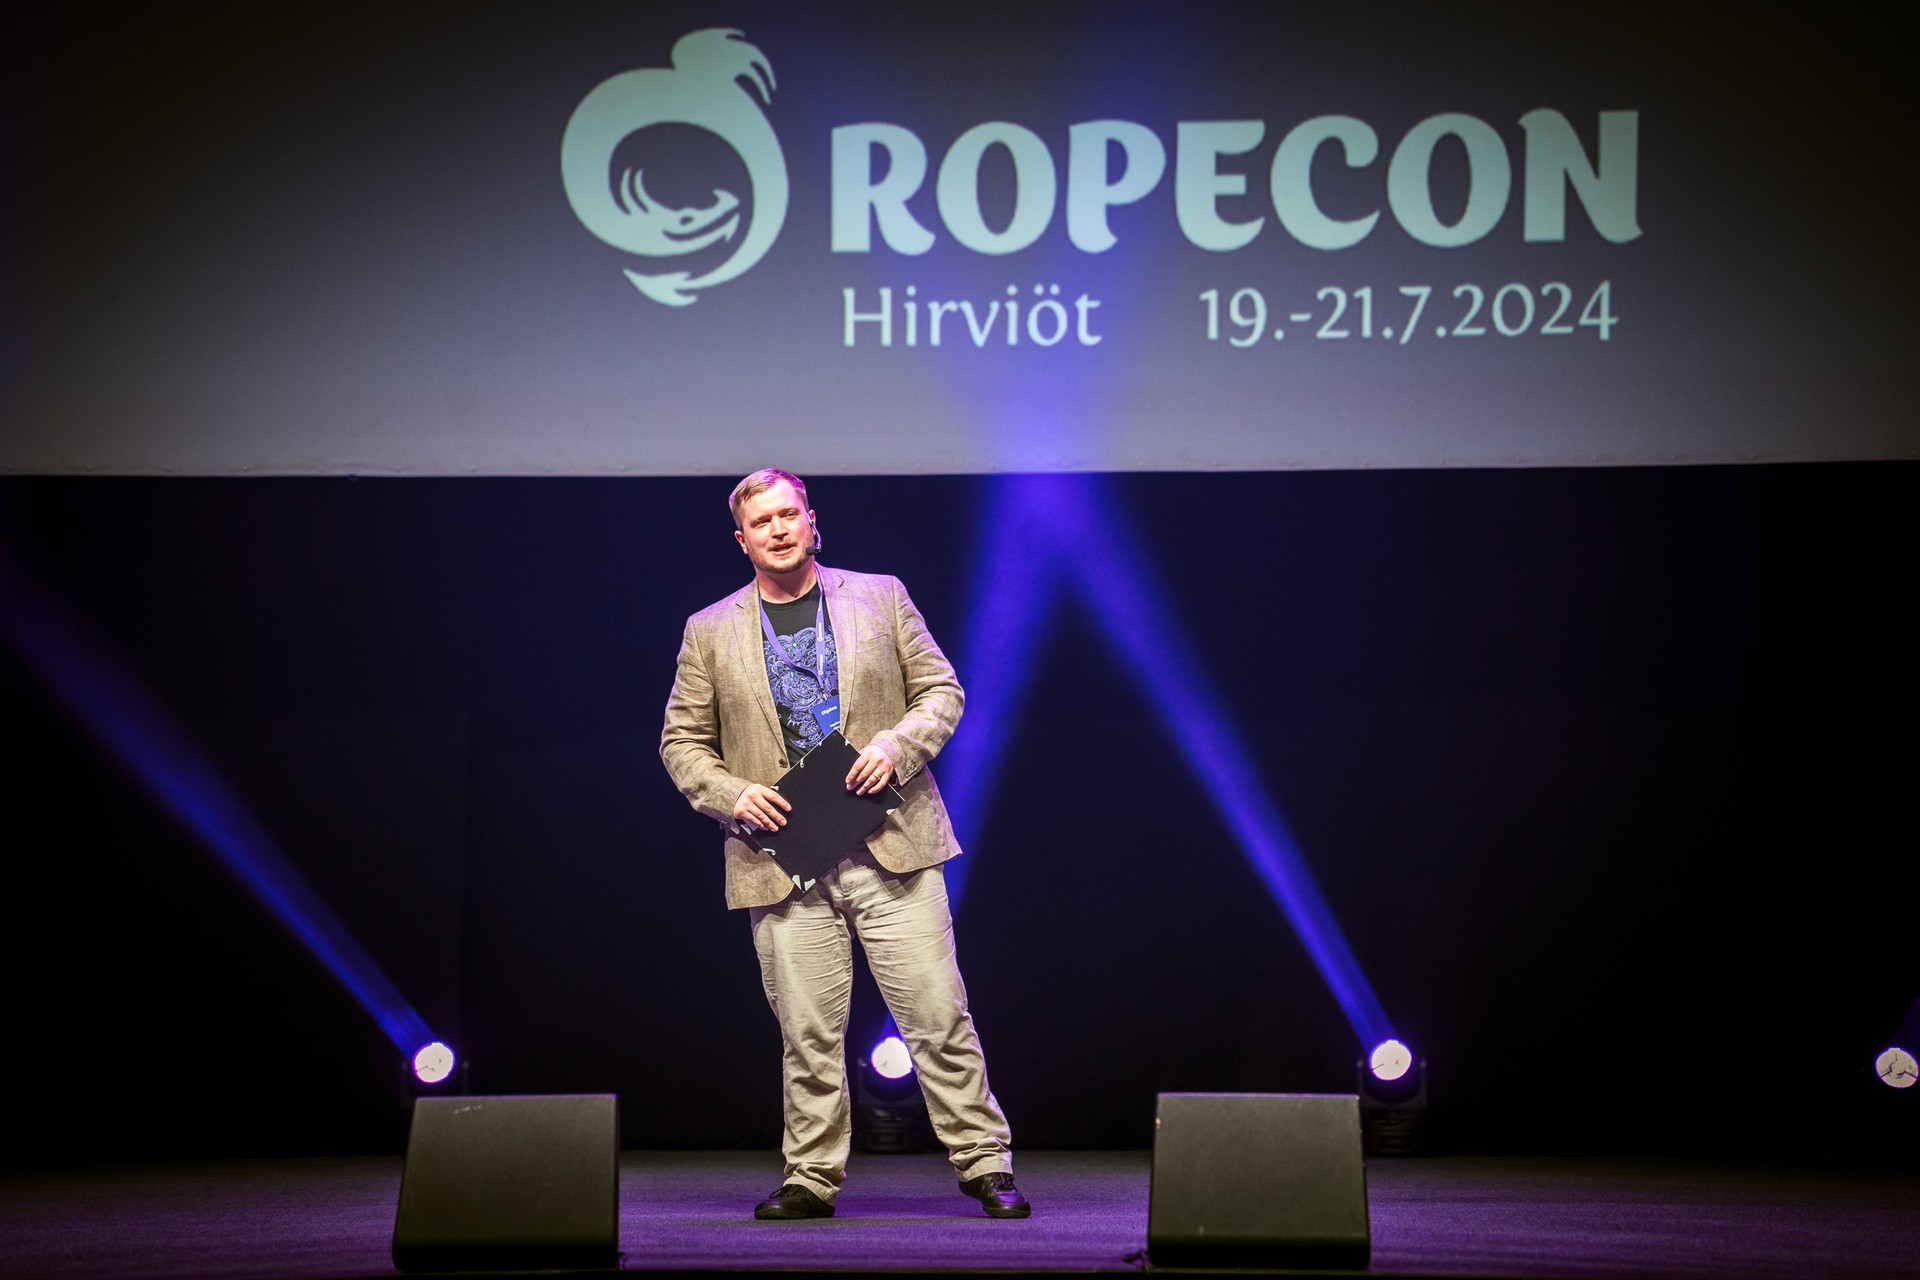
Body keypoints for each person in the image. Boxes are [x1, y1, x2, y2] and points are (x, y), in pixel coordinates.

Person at [660, 468, 1028, 1221]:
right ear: (741, 540)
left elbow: (942, 691)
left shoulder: (879, 596)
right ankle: (811, 1177)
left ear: (810, 520)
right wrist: (732, 795)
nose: (777, 529)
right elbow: (681, 742)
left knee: (938, 1015)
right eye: (761, 522)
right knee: (806, 1033)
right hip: (783, 858)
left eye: (787, 514)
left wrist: (897, 746)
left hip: (891, 845)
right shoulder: (710, 629)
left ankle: (984, 1162)